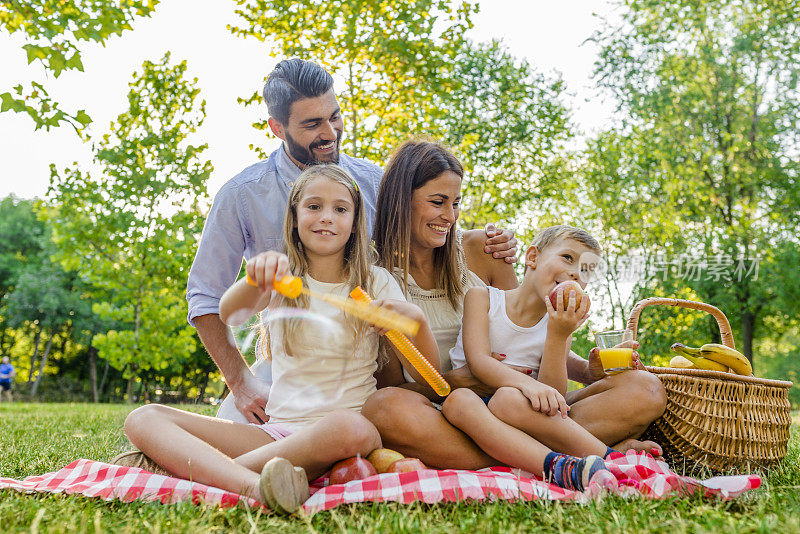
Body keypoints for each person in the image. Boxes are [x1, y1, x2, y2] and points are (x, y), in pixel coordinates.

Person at [186, 59, 516, 424]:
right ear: (277, 128)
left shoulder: (373, 181)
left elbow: (428, 229)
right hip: (291, 363)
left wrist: (483, 239)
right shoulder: (243, 195)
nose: (330, 132)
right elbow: (206, 296)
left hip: (372, 362)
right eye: (312, 124)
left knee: (382, 421)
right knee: (232, 424)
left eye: (335, 116)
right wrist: (241, 382)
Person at [122, 164, 438, 514]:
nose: (327, 218)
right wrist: (256, 280)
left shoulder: (376, 282)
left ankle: (195, 470)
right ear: (294, 216)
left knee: (351, 428)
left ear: (355, 221)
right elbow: (231, 313)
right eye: (314, 206)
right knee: (144, 417)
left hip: (348, 431)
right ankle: (255, 485)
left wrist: (417, 323)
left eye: (340, 209)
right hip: (277, 435)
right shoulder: (280, 275)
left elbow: (426, 375)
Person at [362, 141, 668, 470]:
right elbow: (390, 384)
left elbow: (524, 333)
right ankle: (572, 452)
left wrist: (586, 370)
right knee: (384, 408)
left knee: (645, 389)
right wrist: (457, 382)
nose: (449, 217)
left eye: (456, 203)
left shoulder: (480, 248)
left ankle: (548, 453)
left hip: (524, 406)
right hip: (449, 413)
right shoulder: (372, 277)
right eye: (437, 202)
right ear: (401, 200)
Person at [441, 226, 630, 490]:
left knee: (508, 399)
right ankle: (564, 463)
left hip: (522, 413)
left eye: (585, 270)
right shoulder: (483, 297)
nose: (576, 272)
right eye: (567, 257)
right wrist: (530, 384)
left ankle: (614, 462)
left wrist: (557, 334)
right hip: (474, 408)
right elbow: (478, 361)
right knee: (457, 401)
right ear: (532, 257)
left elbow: (554, 397)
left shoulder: (561, 322)